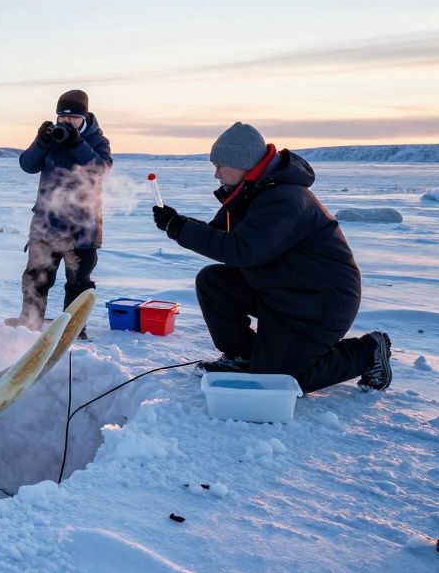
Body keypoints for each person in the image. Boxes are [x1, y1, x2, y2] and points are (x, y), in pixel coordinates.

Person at [151, 121, 393, 393]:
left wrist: (180, 228)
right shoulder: (251, 192)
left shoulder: (284, 199)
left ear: (242, 163)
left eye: (220, 165)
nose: (216, 174)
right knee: (213, 281)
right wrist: (177, 223)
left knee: (279, 381)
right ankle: (243, 355)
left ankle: (368, 352)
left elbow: (242, 250)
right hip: (283, 294)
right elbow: (220, 234)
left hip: (320, 302)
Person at [7, 89, 112, 332]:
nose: (66, 123)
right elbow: (27, 165)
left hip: (82, 228)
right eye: (62, 118)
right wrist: (41, 142)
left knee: (78, 283)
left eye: (73, 118)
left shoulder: (97, 141)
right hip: (47, 224)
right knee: (35, 278)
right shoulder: (51, 137)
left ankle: (73, 330)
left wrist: (78, 144)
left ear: (84, 118)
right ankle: (29, 325)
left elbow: (101, 169)